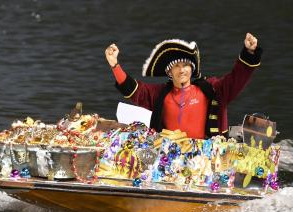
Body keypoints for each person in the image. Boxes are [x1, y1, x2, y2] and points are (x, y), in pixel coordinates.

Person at [105, 33, 262, 139]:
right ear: (169, 72)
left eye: (186, 65)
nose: (182, 70)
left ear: (192, 68)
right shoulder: (160, 94)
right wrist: (115, 65)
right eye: (177, 66)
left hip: (207, 160)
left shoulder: (211, 89)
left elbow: (236, 79)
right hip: (169, 159)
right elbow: (135, 90)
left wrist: (249, 52)